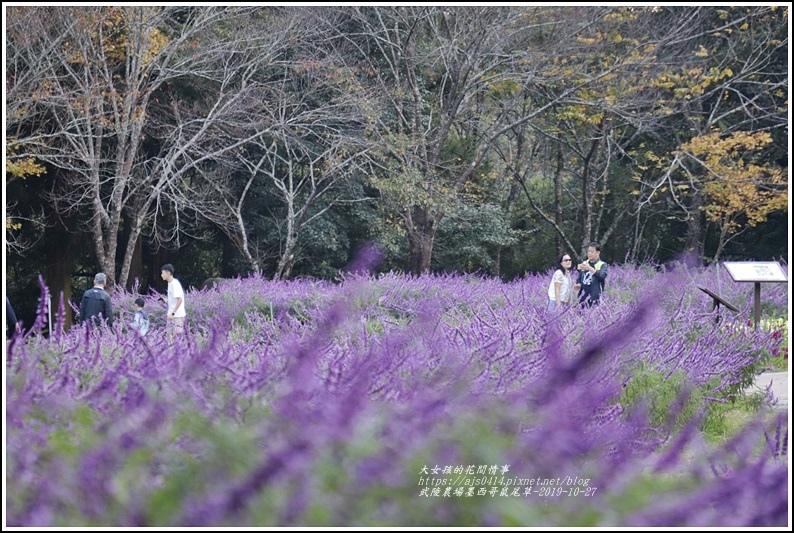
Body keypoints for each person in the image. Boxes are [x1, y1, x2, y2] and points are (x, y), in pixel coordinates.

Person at [573, 242, 608, 307]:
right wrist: (578, 284)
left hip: (595, 298)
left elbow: (602, 276)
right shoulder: (584, 263)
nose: (589, 254)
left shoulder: (602, 264)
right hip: (582, 298)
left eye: (592, 252)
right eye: (588, 252)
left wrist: (590, 268)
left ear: (598, 253)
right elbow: (580, 278)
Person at [160, 263, 186, 340]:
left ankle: (178, 352)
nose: (161, 275)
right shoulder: (170, 283)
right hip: (171, 315)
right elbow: (174, 300)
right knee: (169, 336)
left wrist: (173, 313)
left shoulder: (175, 284)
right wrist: (166, 300)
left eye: (163, 273)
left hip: (177, 316)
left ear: (168, 273)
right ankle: (171, 351)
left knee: (176, 337)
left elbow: (180, 300)